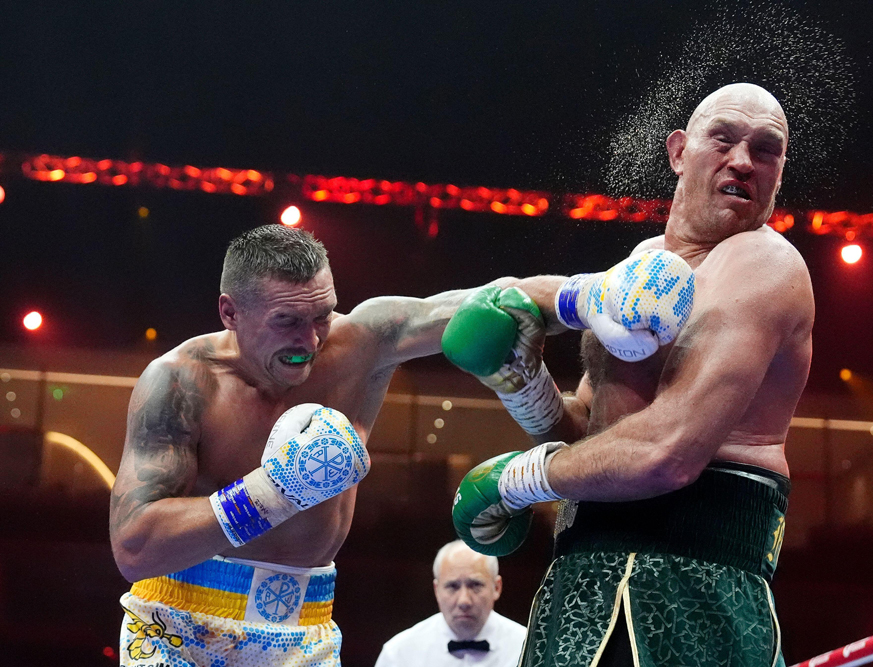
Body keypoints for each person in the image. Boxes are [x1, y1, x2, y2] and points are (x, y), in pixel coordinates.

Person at [450, 83, 814, 667]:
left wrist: (511, 481)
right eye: (723, 138)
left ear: (778, 172)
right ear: (678, 152)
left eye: (765, 150)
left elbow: (668, 452)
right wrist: (522, 383)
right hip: (580, 581)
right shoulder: (639, 267)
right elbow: (593, 438)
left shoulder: (763, 263)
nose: (743, 161)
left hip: (699, 581)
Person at [109, 224, 549, 667]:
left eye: (322, 315)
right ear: (230, 312)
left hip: (304, 630)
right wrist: (274, 491)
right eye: (288, 321)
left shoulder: (363, 341)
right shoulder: (181, 382)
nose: (311, 340)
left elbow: (500, 300)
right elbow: (134, 548)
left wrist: (593, 297)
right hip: (179, 628)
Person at [373, 541, 527, 667]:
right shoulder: (399, 654)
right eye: (452, 586)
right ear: (436, 590)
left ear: (496, 587)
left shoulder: (529, 648)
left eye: (475, 585)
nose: (464, 601)